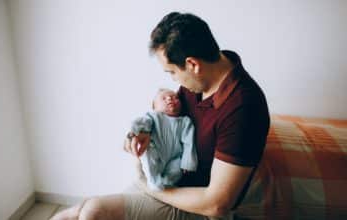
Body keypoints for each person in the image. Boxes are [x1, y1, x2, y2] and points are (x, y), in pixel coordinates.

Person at [50, 11, 270, 220]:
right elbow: (166, 116)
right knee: (76, 212)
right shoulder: (202, 80)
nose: (174, 81)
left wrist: (150, 186)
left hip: (199, 207)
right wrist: (141, 132)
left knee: (94, 212)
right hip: (168, 178)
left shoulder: (244, 108)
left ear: (193, 64)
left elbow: (217, 204)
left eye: (172, 72)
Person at [129, 88, 197, 191]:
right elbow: (144, 123)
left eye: (175, 97)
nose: (170, 99)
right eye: (164, 98)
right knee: (148, 154)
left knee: (177, 168)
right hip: (156, 151)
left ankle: (167, 182)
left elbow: (189, 143)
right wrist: (136, 128)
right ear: (154, 107)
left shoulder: (185, 122)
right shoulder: (154, 116)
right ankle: (153, 181)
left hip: (174, 157)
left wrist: (188, 162)